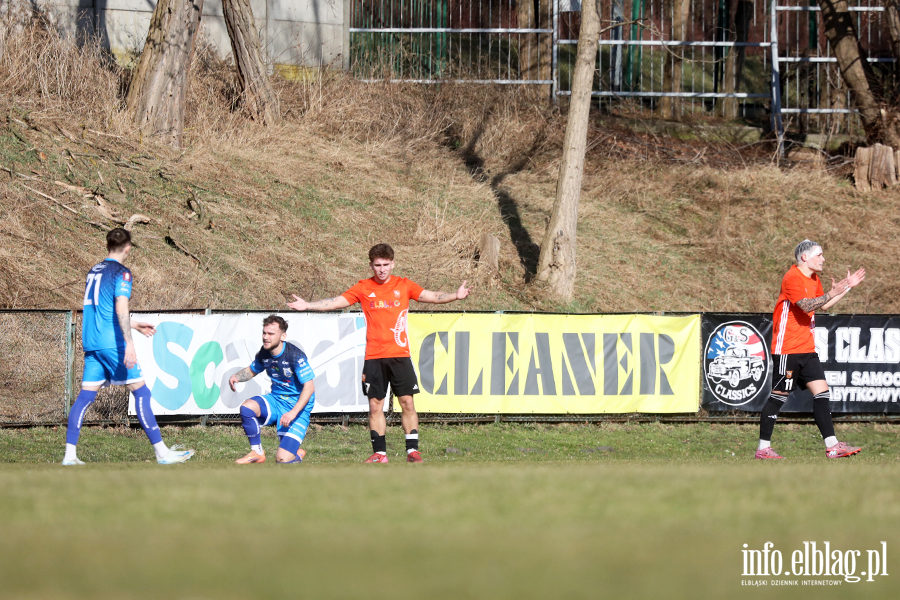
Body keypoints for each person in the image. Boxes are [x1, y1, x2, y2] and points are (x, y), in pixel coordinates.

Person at [287, 243, 470, 463]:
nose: (382, 269)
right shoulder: (363, 287)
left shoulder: (403, 285)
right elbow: (335, 302)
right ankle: (380, 454)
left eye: (385, 264)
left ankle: (412, 451)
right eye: (377, 265)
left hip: (400, 356)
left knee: (407, 402)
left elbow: (431, 296)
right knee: (375, 405)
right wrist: (308, 305)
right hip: (374, 357)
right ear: (371, 266)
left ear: (393, 264)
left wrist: (455, 295)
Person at [63, 228, 195, 465]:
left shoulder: (94, 270)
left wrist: (134, 325)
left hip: (92, 342)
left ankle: (69, 456)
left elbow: (103, 311)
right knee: (141, 392)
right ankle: (162, 454)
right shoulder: (122, 273)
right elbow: (120, 307)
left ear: (107, 246)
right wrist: (129, 343)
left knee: (85, 397)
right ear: (128, 248)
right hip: (111, 342)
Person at [755, 240, 866, 460]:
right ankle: (763, 448)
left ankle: (832, 446)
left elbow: (824, 304)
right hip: (787, 348)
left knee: (822, 393)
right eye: (819, 254)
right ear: (805, 257)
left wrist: (847, 287)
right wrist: (833, 292)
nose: (823, 259)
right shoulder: (792, 277)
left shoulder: (814, 278)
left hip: (807, 348)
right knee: (779, 396)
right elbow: (807, 305)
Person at [228, 315, 315, 464]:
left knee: (282, 460)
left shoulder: (295, 355)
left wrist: (293, 412)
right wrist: (237, 376)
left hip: (297, 408)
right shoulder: (264, 352)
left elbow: (309, 387)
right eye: (264, 333)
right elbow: (253, 370)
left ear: (283, 336)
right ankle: (257, 452)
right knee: (247, 408)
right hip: (276, 400)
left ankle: (297, 455)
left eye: (271, 334)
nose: (265, 337)